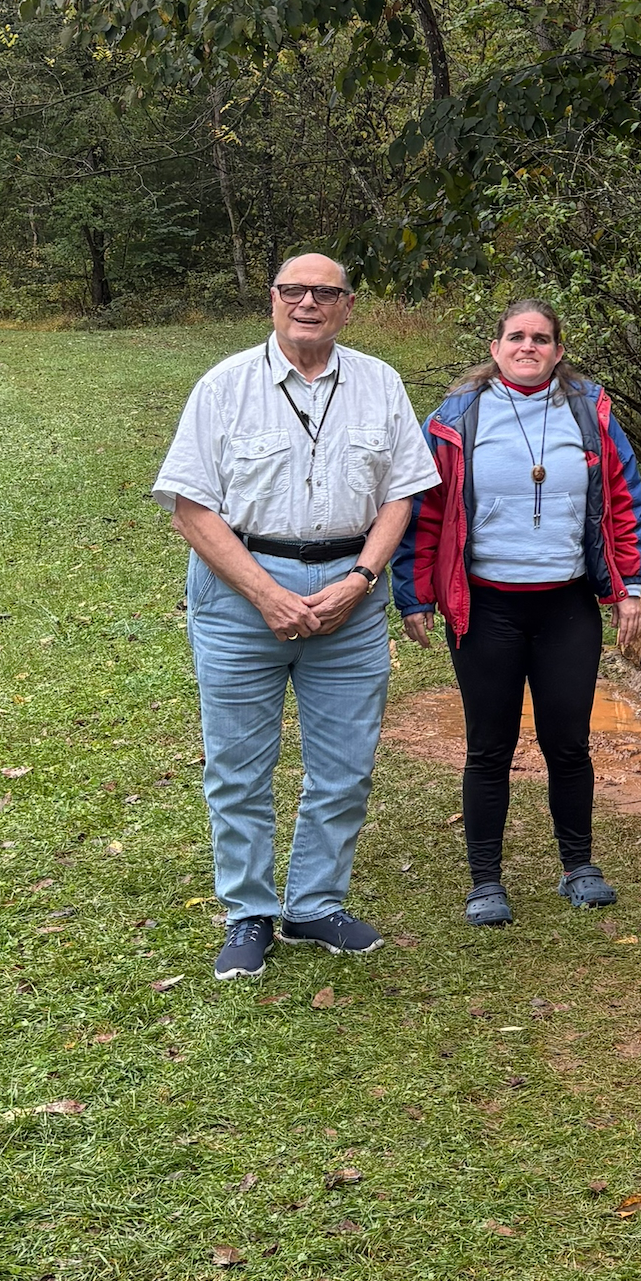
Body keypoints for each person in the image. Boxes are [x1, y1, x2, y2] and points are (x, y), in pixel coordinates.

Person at [153, 253, 440, 982]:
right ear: (273, 300)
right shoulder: (224, 386)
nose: (307, 302)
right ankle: (247, 912)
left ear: (346, 307)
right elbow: (191, 506)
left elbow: (403, 492)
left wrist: (362, 578)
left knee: (345, 767)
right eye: (293, 291)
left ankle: (314, 903)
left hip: (352, 588)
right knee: (238, 767)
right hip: (242, 590)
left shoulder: (380, 383)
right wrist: (263, 593)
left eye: (325, 293)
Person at [392, 299, 641, 926]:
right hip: (485, 606)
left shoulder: (591, 411)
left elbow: (621, 500)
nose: (528, 346)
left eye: (541, 338)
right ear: (495, 347)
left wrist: (629, 587)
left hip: (566, 604)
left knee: (568, 743)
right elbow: (426, 512)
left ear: (558, 351)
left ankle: (578, 866)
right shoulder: (456, 418)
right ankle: (486, 881)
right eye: (516, 337)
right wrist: (416, 593)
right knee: (489, 745)